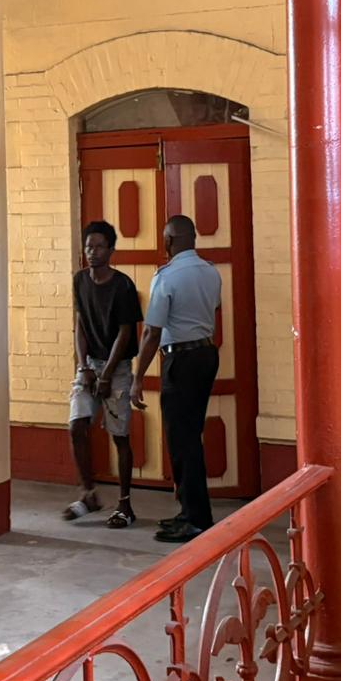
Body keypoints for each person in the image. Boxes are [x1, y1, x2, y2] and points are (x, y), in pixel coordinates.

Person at [133, 215, 222, 543]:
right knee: (190, 435)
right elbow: (214, 309)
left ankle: (196, 519)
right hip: (206, 355)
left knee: (182, 440)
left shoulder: (166, 277)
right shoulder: (211, 272)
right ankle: (189, 511)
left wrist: (137, 378)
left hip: (181, 361)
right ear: (193, 238)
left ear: (169, 240)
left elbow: (152, 333)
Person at [63, 220, 145, 529]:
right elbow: (80, 325)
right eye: (89, 246)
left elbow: (126, 333)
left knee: (119, 435)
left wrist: (107, 374)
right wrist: (84, 367)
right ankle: (89, 494)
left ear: (111, 250)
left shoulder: (123, 286)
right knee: (76, 425)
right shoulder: (79, 281)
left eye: (99, 247)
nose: (92, 252)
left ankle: (125, 504)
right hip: (90, 364)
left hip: (117, 367)